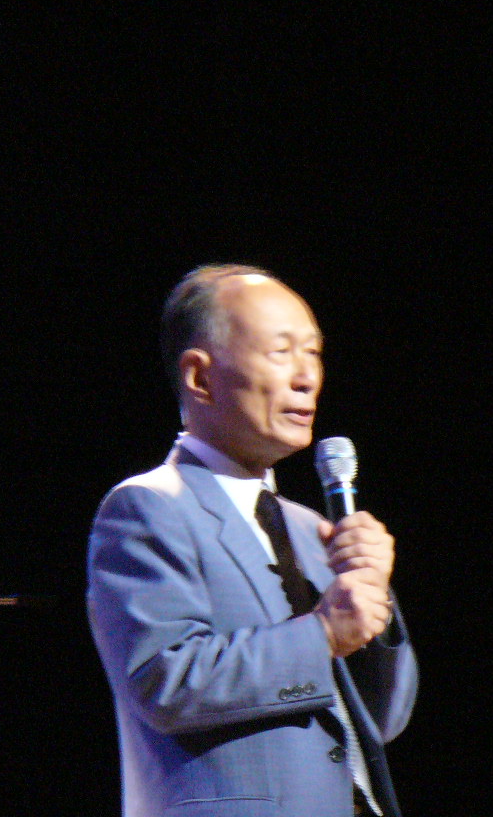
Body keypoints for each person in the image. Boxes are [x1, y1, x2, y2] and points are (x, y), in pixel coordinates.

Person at [87, 264, 417, 817]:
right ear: (200, 378)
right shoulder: (147, 507)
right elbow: (164, 680)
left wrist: (373, 605)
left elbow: (381, 720)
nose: (306, 377)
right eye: (280, 352)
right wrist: (323, 634)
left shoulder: (311, 528)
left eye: (313, 353)